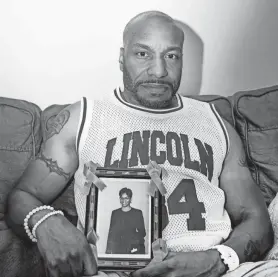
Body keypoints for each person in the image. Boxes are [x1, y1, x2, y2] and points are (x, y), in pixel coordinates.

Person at [5, 10, 278, 277]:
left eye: (171, 56)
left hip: (215, 267)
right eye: (143, 54)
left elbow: (257, 221)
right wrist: (47, 221)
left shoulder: (217, 125)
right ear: (122, 58)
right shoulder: (83, 119)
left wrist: (219, 258)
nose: (158, 71)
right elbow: (22, 196)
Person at [105, 187, 146, 255]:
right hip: (118, 250)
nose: (124, 200)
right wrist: (108, 251)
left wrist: (135, 245)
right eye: (122, 198)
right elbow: (111, 234)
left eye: (126, 198)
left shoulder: (137, 213)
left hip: (133, 249)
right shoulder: (115, 213)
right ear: (120, 199)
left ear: (130, 199)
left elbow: (143, 233)